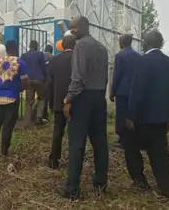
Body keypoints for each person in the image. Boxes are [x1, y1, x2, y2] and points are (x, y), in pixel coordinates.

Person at [58, 16, 109, 200]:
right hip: (99, 97)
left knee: (77, 144)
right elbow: (105, 77)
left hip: (83, 98)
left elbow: (78, 77)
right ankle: (101, 183)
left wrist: (69, 99)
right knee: (100, 143)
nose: (72, 32)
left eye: (73, 29)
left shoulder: (80, 46)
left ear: (82, 27)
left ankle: (72, 188)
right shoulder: (102, 48)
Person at [124, 30, 169, 200]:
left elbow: (136, 91)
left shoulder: (142, 62)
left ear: (145, 43)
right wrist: (168, 117)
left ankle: (140, 182)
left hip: (142, 118)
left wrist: (130, 116)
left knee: (131, 148)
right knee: (160, 156)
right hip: (161, 118)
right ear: (161, 44)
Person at [0, 40, 28, 156]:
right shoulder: (20, 62)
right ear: (16, 48)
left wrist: (0, 87)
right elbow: (25, 81)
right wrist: (17, 89)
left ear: (6, 49)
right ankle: (4, 152)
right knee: (8, 125)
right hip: (12, 97)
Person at [48, 36, 75, 169]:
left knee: (58, 131)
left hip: (58, 101)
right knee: (75, 132)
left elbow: (50, 82)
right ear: (74, 45)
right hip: (75, 101)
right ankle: (74, 161)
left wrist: (51, 102)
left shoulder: (54, 60)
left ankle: (54, 160)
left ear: (62, 46)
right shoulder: (77, 59)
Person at [110, 34, 141, 148]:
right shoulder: (138, 56)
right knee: (131, 114)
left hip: (122, 91)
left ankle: (122, 140)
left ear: (122, 42)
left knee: (121, 115)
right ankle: (133, 138)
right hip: (134, 90)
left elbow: (117, 75)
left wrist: (113, 91)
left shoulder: (120, 55)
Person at [21, 40, 46, 126]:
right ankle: (39, 118)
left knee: (29, 101)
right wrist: (45, 78)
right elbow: (44, 68)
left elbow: (21, 68)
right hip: (39, 80)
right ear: (37, 46)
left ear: (29, 46)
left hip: (28, 80)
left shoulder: (24, 55)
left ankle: (27, 121)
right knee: (42, 98)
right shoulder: (40, 54)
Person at [43, 44, 53, 122]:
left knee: (43, 97)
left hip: (42, 79)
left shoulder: (41, 56)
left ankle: (43, 114)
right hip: (50, 79)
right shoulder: (53, 57)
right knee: (49, 96)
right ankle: (51, 109)